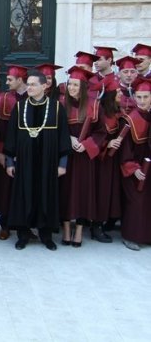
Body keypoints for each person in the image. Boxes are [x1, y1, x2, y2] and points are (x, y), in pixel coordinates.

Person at [4, 69, 71, 250]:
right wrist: (9, 162)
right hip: (24, 161)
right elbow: (11, 137)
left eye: (33, 84)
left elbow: (64, 137)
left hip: (48, 161)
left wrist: (62, 164)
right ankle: (23, 234)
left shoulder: (56, 107)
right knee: (23, 195)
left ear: (44, 86)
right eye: (28, 84)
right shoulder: (20, 107)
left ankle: (46, 235)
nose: (30, 87)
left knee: (46, 195)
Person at [59, 66, 107, 247]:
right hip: (65, 155)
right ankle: (66, 228)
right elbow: (55, 129)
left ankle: (78, 229)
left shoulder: (94, 105)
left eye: (75, 85)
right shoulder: (61, 104)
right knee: (64, 191)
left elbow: (101, 132)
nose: (71, 88)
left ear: (83, 87)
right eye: (70, 84)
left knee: (82, 192)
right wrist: (69, 139)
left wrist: (86, 144)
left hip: (84, 157)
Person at [0, 64, 29, 240]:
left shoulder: (34, 97)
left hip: (28, 151)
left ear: (20, 80)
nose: (6, 82)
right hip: (9, 151)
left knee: (26, 190)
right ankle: (5, 225)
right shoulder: (6, 98)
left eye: (10, 79)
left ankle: (25, 226)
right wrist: (1, 151)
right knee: (6, 189)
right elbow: (1, 128)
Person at [119, 77, 151, 250]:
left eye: (146, 97)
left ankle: (146, 236)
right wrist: (133, 168)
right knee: (136, 202)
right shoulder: (130, 120)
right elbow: (125, 151)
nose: (142, 100)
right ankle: (130, 236)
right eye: (139, 97)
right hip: (134, 168)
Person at [92, 75, 121, 243]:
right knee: (101, 192)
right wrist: (107, 144)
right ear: (111, 95)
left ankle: (105, 222)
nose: (121, 94)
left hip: (112, 160)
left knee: (109, 192)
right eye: (118, 92)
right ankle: (96, 226)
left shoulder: (116, 111)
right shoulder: (102, 113)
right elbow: (97, 135)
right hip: (101, 160)